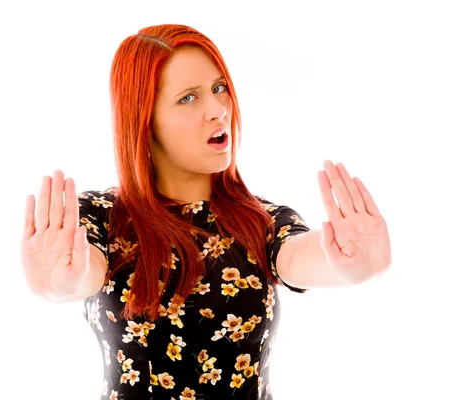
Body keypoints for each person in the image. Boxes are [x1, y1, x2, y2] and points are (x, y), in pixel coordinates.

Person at [20, 24, 391, 400]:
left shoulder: (262, 220)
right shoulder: (101, 215)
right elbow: (81, 271)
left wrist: (350, 266)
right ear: (144, 122)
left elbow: (302, 255)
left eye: (219, 88)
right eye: (187, 98)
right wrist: (59, 285)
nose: (218, 110)